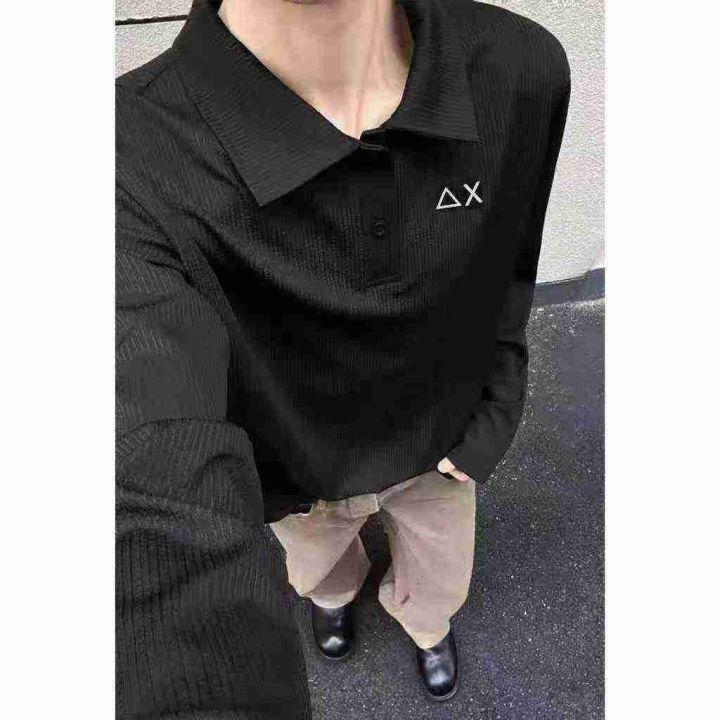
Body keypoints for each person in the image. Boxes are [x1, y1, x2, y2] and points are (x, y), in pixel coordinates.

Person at [116, 0, 570, 711]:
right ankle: (334, 599)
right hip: (302, 484)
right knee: (318, 570)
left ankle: (425, 628)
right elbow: (143, 465)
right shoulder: (124, 155)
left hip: (441, 452)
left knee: (440, 577)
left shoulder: (519, 68)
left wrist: (496, 410)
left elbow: (510, 272)